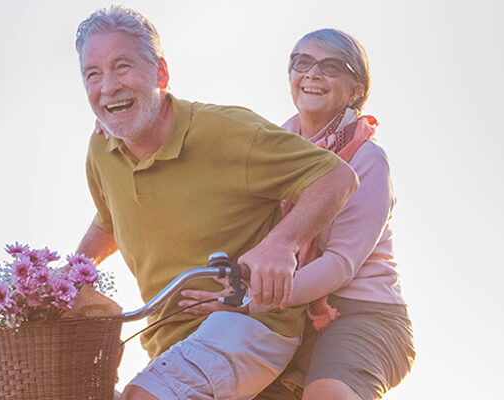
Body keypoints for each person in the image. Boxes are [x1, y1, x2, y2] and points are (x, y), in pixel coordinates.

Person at [72, 6, 358, 400]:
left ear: (160, 73)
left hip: (249, 323)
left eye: (122, 67)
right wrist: (63, 281)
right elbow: (108, 223)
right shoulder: (101, 151)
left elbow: (336, 177)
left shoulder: (227, 132)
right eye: (93, 74)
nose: (108, 86)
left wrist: (280, 244)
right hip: (169, 338)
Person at [178, 29, 415, 400]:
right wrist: (120, 127)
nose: (313, 74)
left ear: (356, 90)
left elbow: (340, 263)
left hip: (363, 313)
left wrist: (252, 300)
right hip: (289, 316)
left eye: (332, 66)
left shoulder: (368, 160)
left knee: (327, 394)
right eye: (302, 63)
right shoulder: (274, 146)